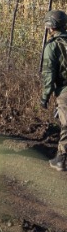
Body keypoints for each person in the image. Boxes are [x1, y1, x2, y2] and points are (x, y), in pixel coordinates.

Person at [40, 10, 67, 171]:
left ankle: (61, 159)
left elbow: (49, 76)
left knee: (66, 124)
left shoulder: (52, 46)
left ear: (50, 27)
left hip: (64, 90)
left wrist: (44, 97)